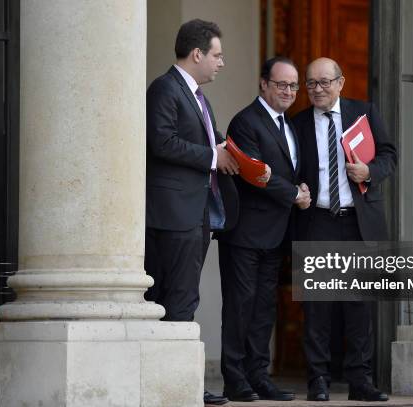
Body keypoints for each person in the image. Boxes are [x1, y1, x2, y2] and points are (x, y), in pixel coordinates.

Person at [144, 19, 241, 406]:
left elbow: (207, 142)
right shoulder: (165, 89)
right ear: (197, 54)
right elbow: (161, 141)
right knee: (174, 298)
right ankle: (175, 387)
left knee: (185, 298)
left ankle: (179, 384)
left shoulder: (198, 96)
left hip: (197, 212)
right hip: (172, 215)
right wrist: (212, 157)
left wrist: (230, 153)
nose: (221, 62)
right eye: (216, 55)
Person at [292, 57, 397, 402]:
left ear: (341, 82)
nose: (317, 89)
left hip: (358, 222)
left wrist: (369, 172)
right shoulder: (298, 124)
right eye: (311, 83)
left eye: (324, 82)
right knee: (318, 306)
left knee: (358, 306)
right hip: (318, 219)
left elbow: (389, 155)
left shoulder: (363, 113)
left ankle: (360, 381)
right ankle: (318, 379)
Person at [215, 56, 310, 402]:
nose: (288, 91)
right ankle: (235, 379)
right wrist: (294, 194)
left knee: (264, 308)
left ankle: (259, 376)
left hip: (275, 232)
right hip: (244, 233)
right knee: (240, 306)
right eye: (282, 84)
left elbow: (289, 169)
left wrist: (303, 189)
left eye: (293, 85)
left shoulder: (290, 125)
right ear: (264, 84)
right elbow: (254, 172)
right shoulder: (246, 122)